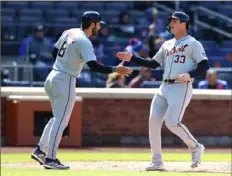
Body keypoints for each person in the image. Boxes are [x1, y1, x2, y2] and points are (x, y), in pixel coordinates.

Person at [31, 11, 132, 170]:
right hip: (65, 79)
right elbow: (94, 66)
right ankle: (50, 158)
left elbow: (54, 52)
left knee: (57, 117)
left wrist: (65, 63)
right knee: (61, 120)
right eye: (98, 23)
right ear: (92, 24)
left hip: (53, 76)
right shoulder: (84, 41)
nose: (99, 26)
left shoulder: (69, 31)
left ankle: (40, 150)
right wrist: (115, 69)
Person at [116, 11, 209, 171]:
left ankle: (195, 147)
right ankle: (156, 162)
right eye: (170, 20)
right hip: (163, 87)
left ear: (184, 23)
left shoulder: (193, 43)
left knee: (172, 122)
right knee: (153, 122)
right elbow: (153, 64)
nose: (171, 23)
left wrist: (190, 74)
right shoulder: (167, 44)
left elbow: (204, 65)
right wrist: (132, 58)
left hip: (181, 86)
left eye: (174, 20)